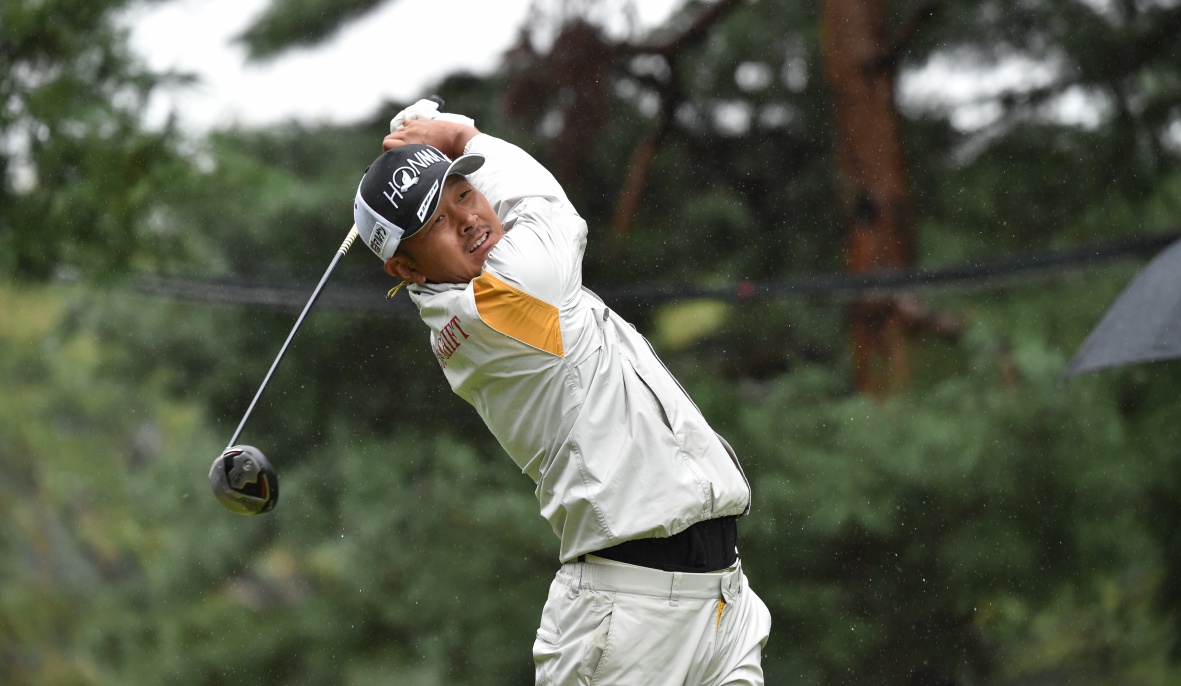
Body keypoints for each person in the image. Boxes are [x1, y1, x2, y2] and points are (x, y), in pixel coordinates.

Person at [352, 99, 772, 685]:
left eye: (465, 194)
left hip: (721, 600)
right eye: (438, 223)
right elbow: (546, 207)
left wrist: (454, 156)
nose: (468, 219)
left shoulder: (495, 285)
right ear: (406, 270)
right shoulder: (498, 300)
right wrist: (464, 135)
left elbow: (508, 212)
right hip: (625, 619)